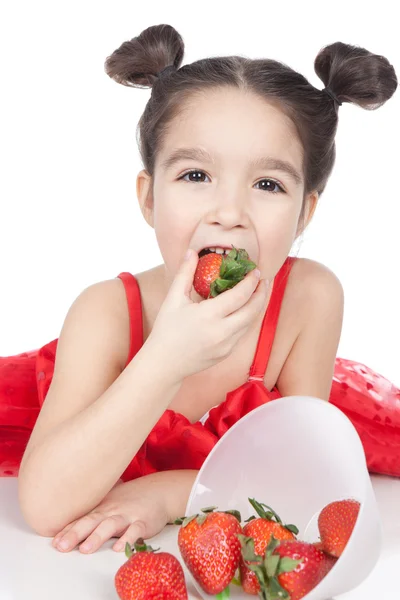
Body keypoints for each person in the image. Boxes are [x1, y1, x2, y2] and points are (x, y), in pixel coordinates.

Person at [1, 24, 398, 556]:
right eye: (194, 175)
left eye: (268, 185)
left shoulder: (310, 298)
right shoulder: (105, 313)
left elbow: (303, 479)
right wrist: (166, 358)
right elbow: (47, 507)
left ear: (305, 211)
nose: (229, 213)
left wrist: (168, 494)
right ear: (149, 198)